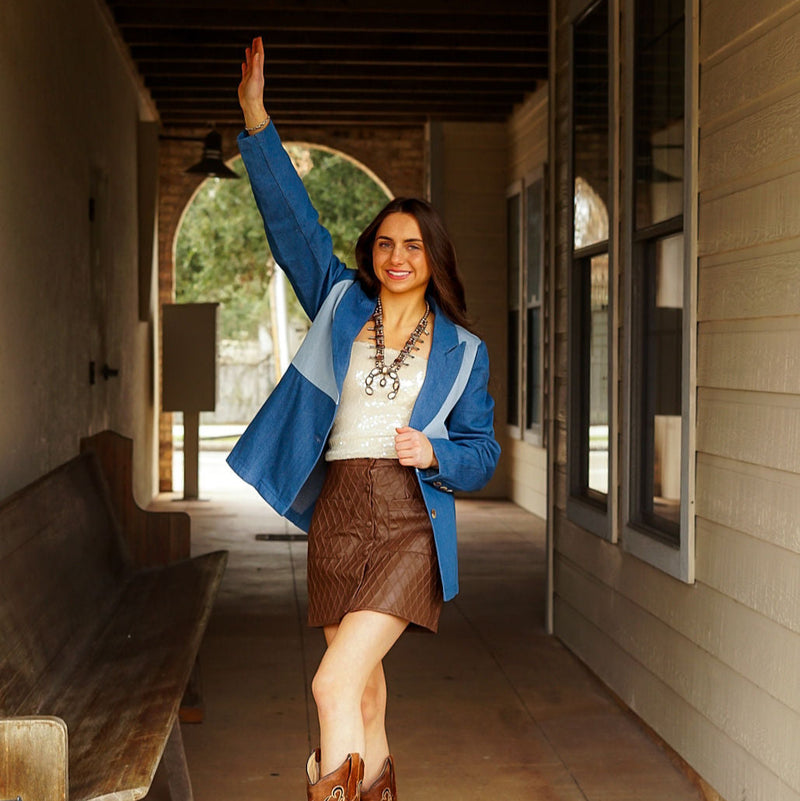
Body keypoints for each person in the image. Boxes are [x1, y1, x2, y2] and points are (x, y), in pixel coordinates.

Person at [228, 36, 501, 801]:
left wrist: (436, 452)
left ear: (433, 257)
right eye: (385, 242)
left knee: (330, 684)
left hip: (410, 519)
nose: (397, 254)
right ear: (370, 253)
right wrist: (257, 121)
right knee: (367, 697)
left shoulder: (465, 352)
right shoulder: (341, 302)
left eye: (413, 244)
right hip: (339, 513)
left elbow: (485, 454)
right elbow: (293, 225)